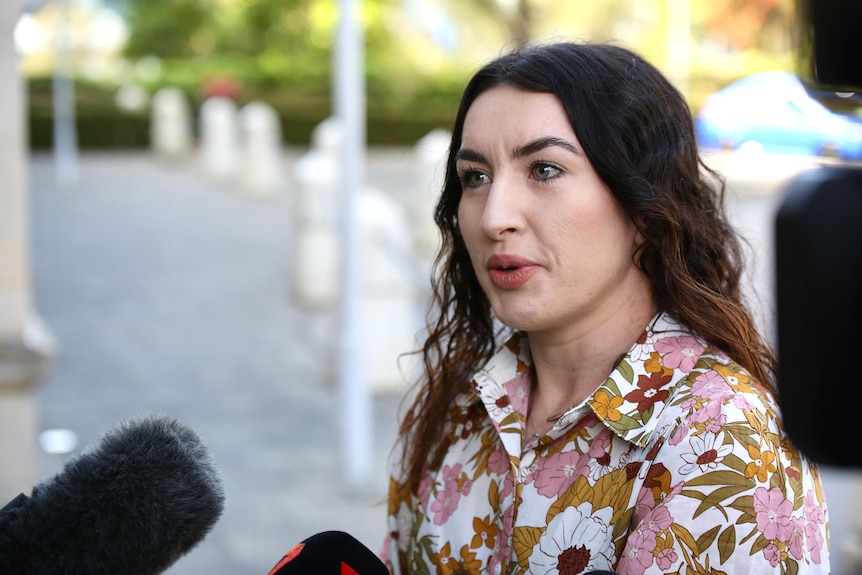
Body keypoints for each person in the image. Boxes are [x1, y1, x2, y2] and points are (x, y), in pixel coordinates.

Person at [381, 41, 830, 575]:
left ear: (644, 203)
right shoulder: (457, 410)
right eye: (475, 177)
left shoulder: (720, 443)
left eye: (544, 169)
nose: (492, 217)